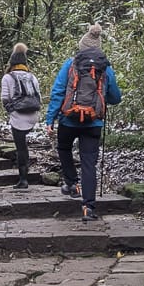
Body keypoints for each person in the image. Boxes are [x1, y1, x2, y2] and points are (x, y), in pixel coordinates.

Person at [45, 23, 121, 221]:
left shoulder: (70, 64)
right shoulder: (105, 68)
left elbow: (58, 92)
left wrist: (50, 119)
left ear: (81, 46)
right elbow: (115, 97)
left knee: (63, 148)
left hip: (69, 120)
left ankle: (72, 182)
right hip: (93, 123)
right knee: (89, 163)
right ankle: (88, 207)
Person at [1, 42, 42, 190]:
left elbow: (5, 99)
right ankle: (26, 175)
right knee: (24, 145)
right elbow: (39, 98)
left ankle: (23, 179)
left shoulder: (8, 77)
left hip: (18, 116)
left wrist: (12, 111)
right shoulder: (32, 76)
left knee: (21, 147)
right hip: (33, 115)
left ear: (12, 61)